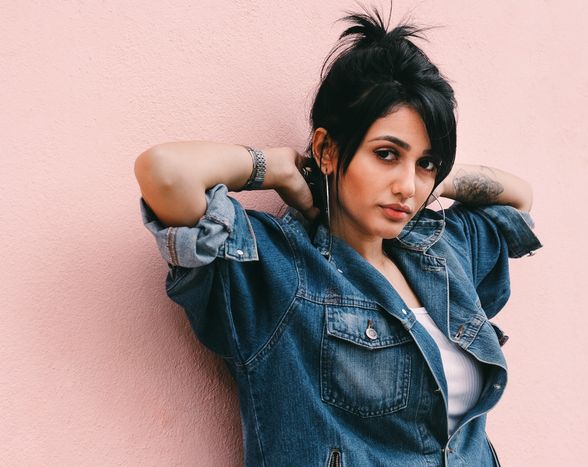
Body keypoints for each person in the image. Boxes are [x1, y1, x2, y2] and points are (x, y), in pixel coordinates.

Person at [135, 7, 542, 467]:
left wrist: (436, 178)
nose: (406, 185)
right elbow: (165, 173)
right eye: (387, 154)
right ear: (329, 149)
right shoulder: (279, 269)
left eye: (424, 162)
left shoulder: (444, 251)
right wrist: (278, 168)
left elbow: (518, 200)